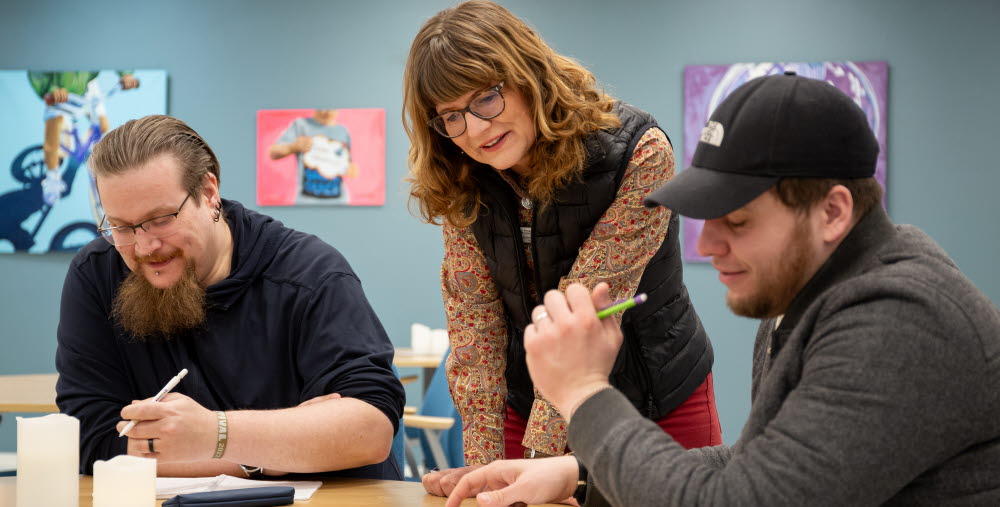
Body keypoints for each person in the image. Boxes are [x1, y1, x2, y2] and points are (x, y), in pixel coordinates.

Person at [445, 73, 1000, 506]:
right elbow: (759, 465)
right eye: (705, 218)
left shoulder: (900, 318)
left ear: (832, 212)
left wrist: (584, 392)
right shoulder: (811, 291)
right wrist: (576, 474)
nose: (706, 246)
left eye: (736, 222)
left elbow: (745, 500)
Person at [402, 0, 719, 491]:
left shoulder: (639, 150)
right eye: (451, 115)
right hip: (524, 399)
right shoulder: (463, 177)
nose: (475, 130)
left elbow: (584, 309)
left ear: (527, 74)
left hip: (655, 399)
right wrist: (486, 473)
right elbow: (474, 327)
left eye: (486, 98)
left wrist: (539, 463)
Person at [55, 114, 405, 480]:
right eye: (122, 227)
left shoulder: (308, 273)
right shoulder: (98, 274)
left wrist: (214, 434)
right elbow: (92, 440)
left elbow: (369, 430)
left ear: (208, 194)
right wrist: (264, 454)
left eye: (161, 218)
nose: (144, 247)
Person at [27, 70, 140, 205]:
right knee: (53, 129)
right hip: (59, 91)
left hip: (87, 87)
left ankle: (80, 146)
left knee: (102, 125)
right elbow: (37, 72)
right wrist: (51, 89)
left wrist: (125, 74)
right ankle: (52, 179)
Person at [268, 109, 359, 204]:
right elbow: (273, 152)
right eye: (323, 109)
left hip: (340, 201)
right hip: (306, 201)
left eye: (332, 109)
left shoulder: (343, 131)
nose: (327, 112)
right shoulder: (301, 125)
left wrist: (352, 170)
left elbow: (348, 163)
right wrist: (293, 147)